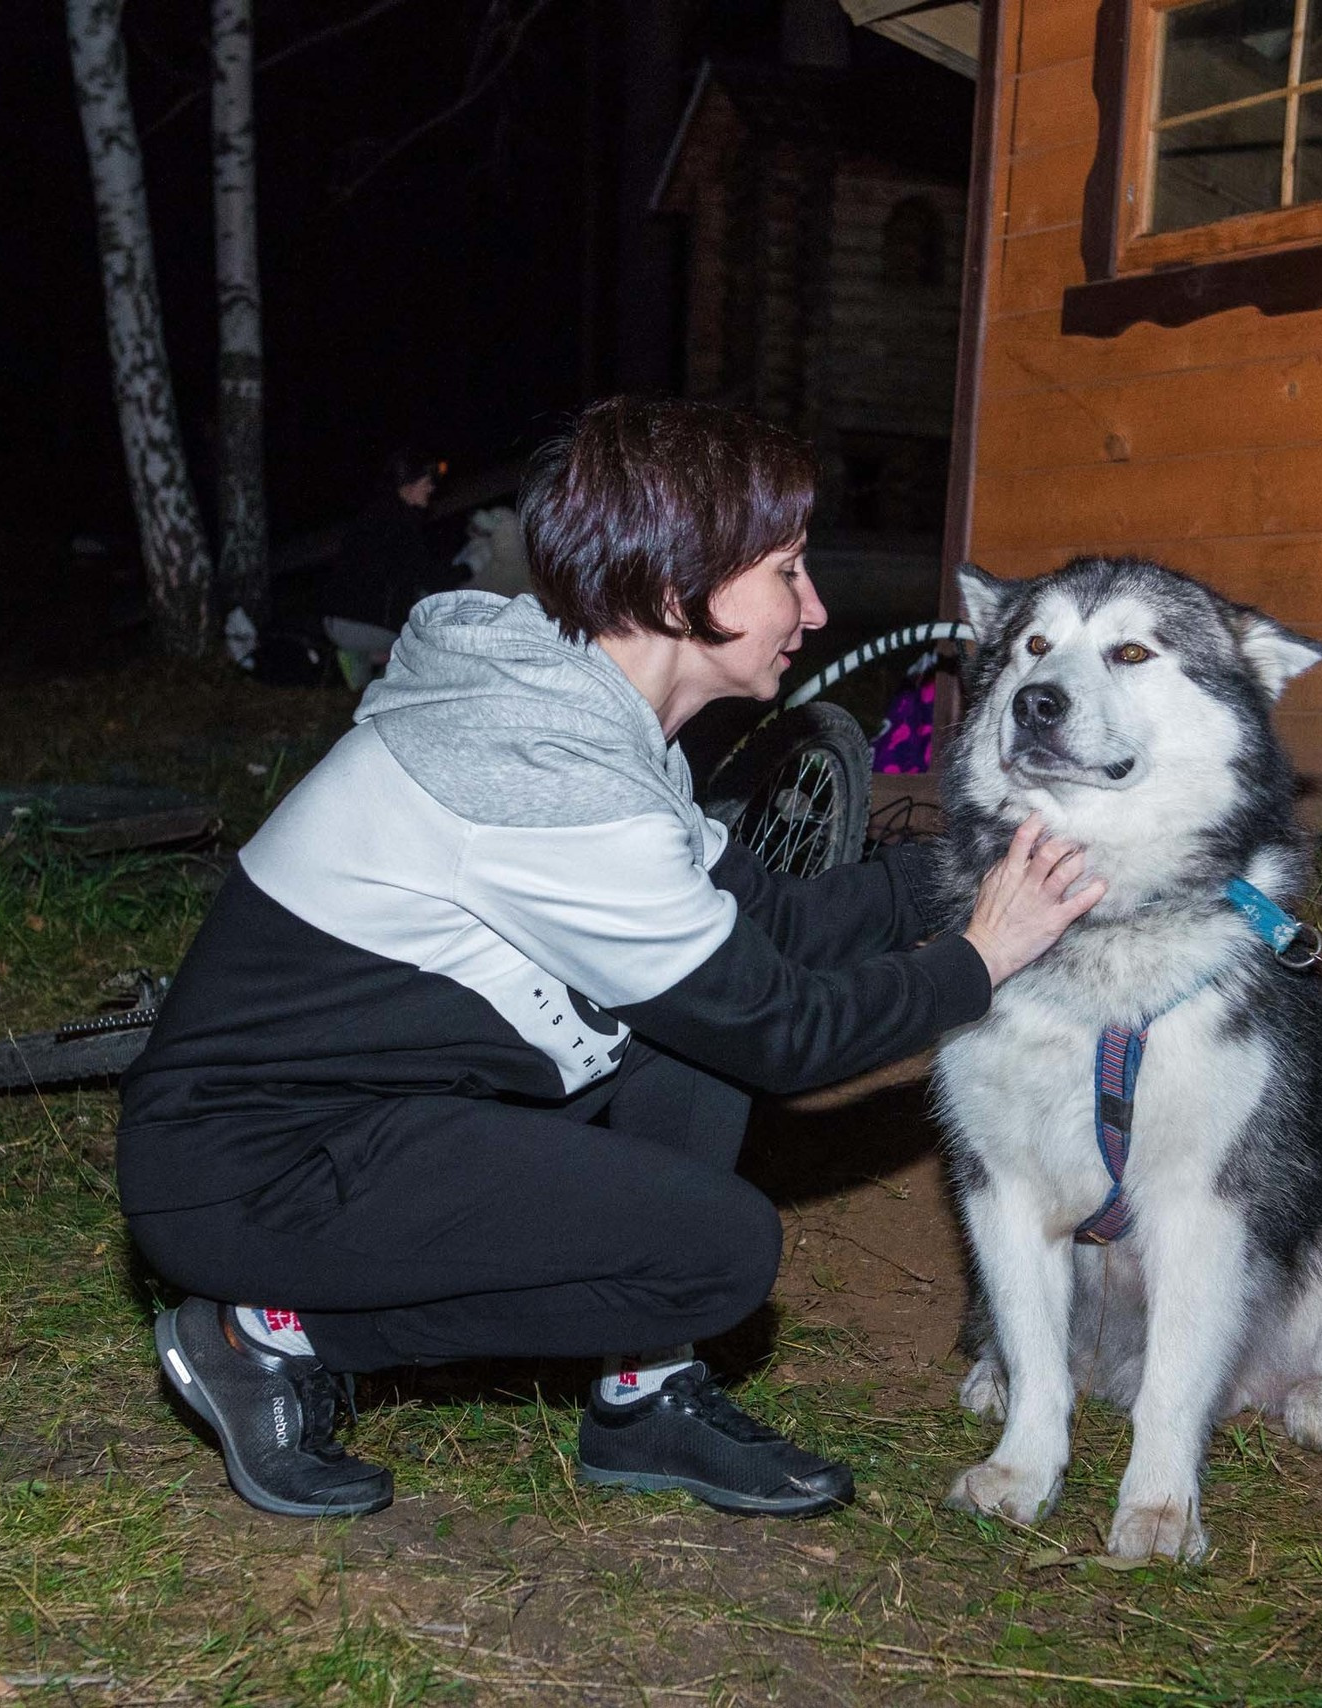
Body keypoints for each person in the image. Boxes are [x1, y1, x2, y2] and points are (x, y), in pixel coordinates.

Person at [119, 397, 1101, 1520]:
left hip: (370, 1113)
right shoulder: (548, 773)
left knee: (690, 1025)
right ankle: (268, 1333)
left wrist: (970, 865)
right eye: (787, 571)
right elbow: (787, 1034)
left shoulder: (586, 716)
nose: (817, 606)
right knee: (718, 1253)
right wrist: (983, 953)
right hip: (248, 1167)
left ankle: (642, 1398)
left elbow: (769, 925)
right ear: (682, 592)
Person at [322, 448, 447, 688]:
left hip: (336, 619)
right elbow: (428, 576)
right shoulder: (400, 524)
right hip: (359, 624)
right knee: (431, 643)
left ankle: (363, 664)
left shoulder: (375, 513)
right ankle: (375, 674)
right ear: (408, 484)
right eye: (427, 482)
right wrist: (466, 572)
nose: (432, 488)